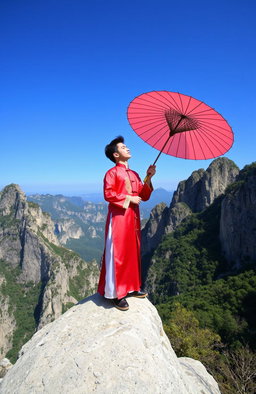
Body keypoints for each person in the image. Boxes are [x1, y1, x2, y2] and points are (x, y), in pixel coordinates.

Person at [97, 136, 156, 310]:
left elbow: (144, 196)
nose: (128, 148)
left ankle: (131, 287)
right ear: (116, 154)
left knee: (132, 252)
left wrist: (149, 177)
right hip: (118, 219)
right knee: (118, 254)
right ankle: (115, 294)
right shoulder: (112, 173)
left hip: (133, 218)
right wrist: (129, 198)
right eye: (123, 147)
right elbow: (108, 194)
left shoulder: (134, 174)